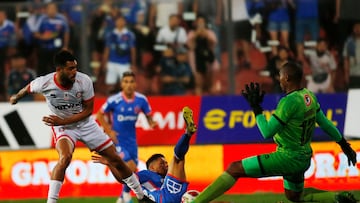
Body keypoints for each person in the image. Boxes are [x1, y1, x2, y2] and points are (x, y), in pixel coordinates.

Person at [192, 61, 357, 203]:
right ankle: (336, 198)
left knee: (234, 168)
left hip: (287, 157)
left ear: (287, 78)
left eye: (280, 76)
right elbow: (326, 123)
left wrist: (256, 109)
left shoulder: (288, 102)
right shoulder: (309, 96)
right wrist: (343, 143)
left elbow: (266, 132)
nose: (279, 80)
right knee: (294, 196)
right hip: (304, 156)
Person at [9, 50, 144, 203]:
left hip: (85, 124)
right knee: (65, 158)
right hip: (63, 128)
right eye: (70, 69)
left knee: (116, 160)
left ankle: (141, 196)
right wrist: (16, 97)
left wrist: (63, 121)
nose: (75, 72)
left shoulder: (84, 81)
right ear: (59, 70)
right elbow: (28, 88)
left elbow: (88, 111)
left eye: (75, 68)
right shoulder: (44, 83)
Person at [92, 106, 197, 203]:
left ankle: (188, 133)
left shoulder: (166, 178)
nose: (166, 165)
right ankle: (187, 133)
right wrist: (110, 164)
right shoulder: (146, 175)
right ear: (152, 167)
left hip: (172, 194)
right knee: (177, 159)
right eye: (162, 163)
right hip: (163, 197)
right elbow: (124, 179)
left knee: (178, 159)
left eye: (165, 163)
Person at [96, 71, 157, 203]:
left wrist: (152, 123)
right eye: (126, 82)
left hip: (132, 141)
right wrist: (109, 131)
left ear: (135, 84)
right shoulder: (114, 100)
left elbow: (148, 116)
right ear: (122, 84)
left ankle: (122, 197)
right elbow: (100, 115)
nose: (129, 84)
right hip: (118, 140)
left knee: (133, 169)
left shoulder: (141, 100)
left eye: (131, 82)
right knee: (129, 167)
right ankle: (126, 196)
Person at [103, 15, 137, 94]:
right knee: (110, 85)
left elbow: (133, 50)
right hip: (112, 62)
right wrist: (104, 62)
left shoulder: (130, 35)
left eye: (122, 20)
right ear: (115, 22)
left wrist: (133, 64)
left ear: (125, 22)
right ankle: (110, 102)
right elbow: (107, 49)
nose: (120, 22)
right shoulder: (110, 35)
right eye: (118, 21)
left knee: (127, 85)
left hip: (124, 63)